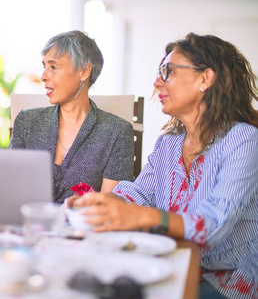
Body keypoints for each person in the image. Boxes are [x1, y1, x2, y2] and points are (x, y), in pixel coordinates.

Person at [68, 33, 258, 299]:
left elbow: (212, 225)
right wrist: (101, 202)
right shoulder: (168, 144)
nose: (157, 82)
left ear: (205, 78)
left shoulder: (243, 139)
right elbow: (141, 194)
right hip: (173, 261)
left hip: (229, 279)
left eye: (168, 71)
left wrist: (143, 217)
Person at [9, 30, 134, 204]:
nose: (44, 76)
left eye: (53, 67)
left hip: (82, 229)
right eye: (44, 66)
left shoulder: (117, 132)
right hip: (27, 225)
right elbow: (10, 188)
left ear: (83, 71)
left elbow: (109, 207)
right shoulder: (27, 121)